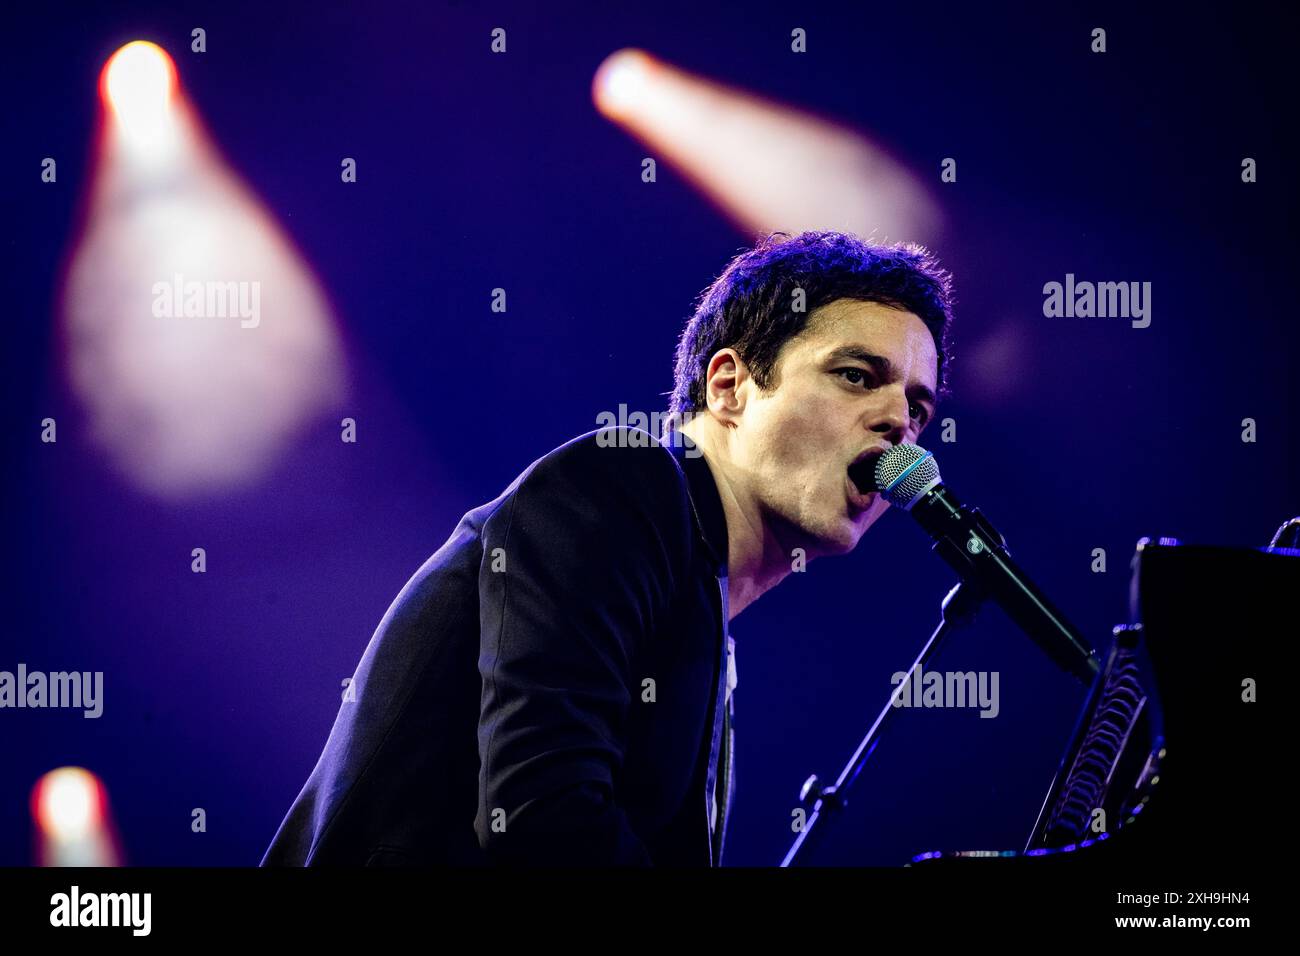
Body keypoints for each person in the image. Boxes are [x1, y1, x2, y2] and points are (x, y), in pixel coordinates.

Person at [260, 230, 953, 866]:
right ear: (730, 387)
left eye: (918, 409)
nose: (898, 421)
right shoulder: (621, 490)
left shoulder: (700, 604)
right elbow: (541, 818)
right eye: (857, 375)